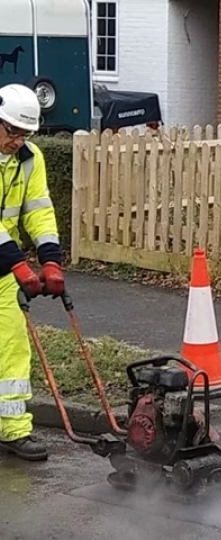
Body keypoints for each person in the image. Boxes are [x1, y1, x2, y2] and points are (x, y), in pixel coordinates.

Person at [0, 83, 65, 461]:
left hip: (2, 270)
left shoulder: (30, 158)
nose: (17, 140)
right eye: (12, 131)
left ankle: (13, 430)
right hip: (7, 262)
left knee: (12, 346)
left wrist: (51, 259)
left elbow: (38, 211)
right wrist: (20, 263)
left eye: (25, 134)